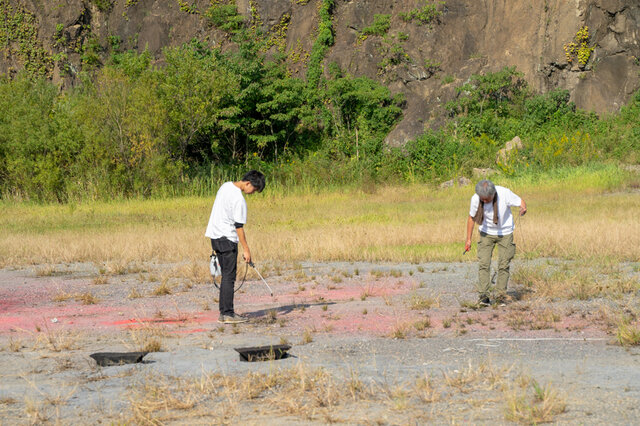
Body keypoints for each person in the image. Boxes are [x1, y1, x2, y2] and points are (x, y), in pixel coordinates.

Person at [205, 170, 265, 324]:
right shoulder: (239, 199)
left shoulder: (225, 186)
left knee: (226, 276)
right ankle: (227, 314)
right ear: (248, 183)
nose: (253, 193)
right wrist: (246, 250)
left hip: (215, 237)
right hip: (227, 240)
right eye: (254, 189)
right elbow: (239, 227)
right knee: (229, 277)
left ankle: (224, 312)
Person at [465, 180, 526, 306]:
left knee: (504, 264)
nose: (485, 201)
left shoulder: (504, 193)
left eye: (487, 199)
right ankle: (483, 296)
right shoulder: (476, 198)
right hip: (486, 233)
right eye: (483, 199)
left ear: (493, 194)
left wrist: (523, 208)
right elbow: (471, 218)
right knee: (484, 264)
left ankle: (501, 296)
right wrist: (468, 240)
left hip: (505, 233)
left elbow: (521, 201)